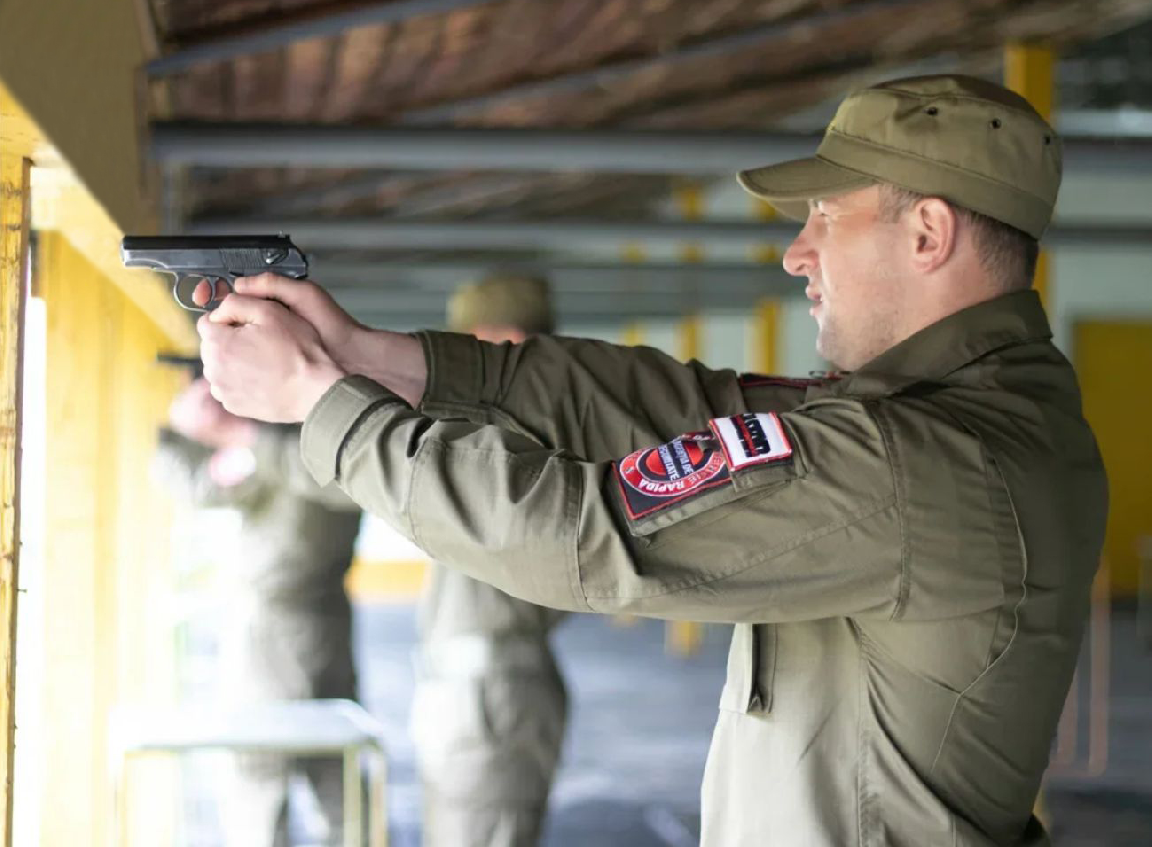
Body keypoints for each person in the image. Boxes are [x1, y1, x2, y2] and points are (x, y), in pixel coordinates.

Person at [194, 74, 1108, 846]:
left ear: (928, 235)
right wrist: (376, 360)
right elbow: (672, 405)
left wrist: (326, 406)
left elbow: (587, 538)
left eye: (827, 216)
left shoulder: (922, 460)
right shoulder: (955, 414)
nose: (797, 254)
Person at [153, 376, 363, 847]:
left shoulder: (275, 455)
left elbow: (197, 486)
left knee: (258, 785)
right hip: (330, 621)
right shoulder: (346, 446)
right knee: (341, 783)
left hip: (270, 633)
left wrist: (177, 430)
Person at [412, 274, 569, 847]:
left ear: (506, 341)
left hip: (491, 692)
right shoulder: (507, 428)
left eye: (470, 344)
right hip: (476, 688)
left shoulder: (523, 432)